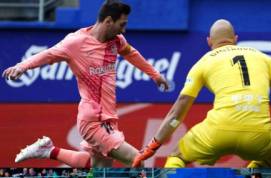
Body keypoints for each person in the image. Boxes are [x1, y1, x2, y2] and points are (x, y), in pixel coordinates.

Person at [3, 0, 169, 168]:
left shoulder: (117, 40)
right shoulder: (75, 42)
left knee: (100, 172)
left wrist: (155, 75)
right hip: (93, 120)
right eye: (122, 24)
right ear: (108, 21)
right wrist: (22, 66)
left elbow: (131, 53)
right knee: (138, 161)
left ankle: (49, 151)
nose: (124, 29)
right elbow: (48, 54)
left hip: (109, 118)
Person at [132, 18, 271, 168]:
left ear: (209, 41)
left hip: (217, 134)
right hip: (258, 138)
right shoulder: (262, 57)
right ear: (235, 39)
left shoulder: (203, 62)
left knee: (178, 155)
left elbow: (178, 111)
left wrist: (153, 146)